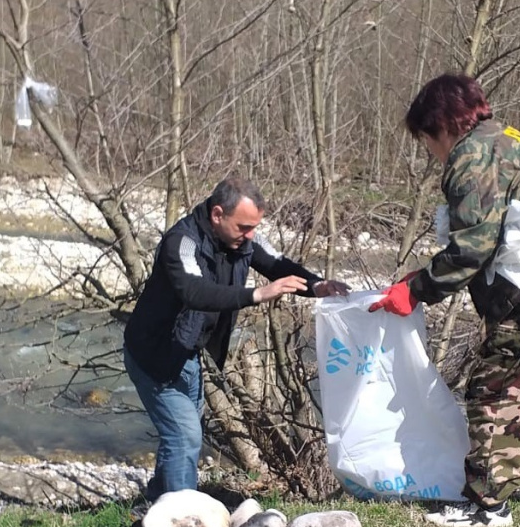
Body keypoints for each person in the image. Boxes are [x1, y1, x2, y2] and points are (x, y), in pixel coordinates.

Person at [370, 73, 520, 527]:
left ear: (440, 126)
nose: (430, 151)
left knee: (498, 388)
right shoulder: (516, 141)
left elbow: (473, 247)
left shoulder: (471, 156)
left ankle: (488, 506)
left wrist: (417, 289)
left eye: (427, 140)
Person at [123, 176, 350, 500]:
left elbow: (278, 264)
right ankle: (181, 519)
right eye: (244, 227)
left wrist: (316, 285)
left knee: (182, 433)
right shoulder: (182, 241)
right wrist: (257, 293)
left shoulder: (242, 239)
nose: (251, 236)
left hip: (187, 352)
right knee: (185, 435)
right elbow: (194, 291)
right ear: (218, 215)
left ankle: (155, 502)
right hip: (152, 354)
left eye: (254, 227)